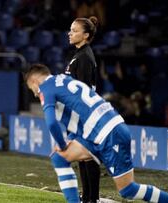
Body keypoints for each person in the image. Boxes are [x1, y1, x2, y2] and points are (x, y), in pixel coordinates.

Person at [24, 64, 168, 203]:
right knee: (59, 158)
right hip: (104, 130)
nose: (35, 95)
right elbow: (82, 111)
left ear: (35, 81)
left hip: (108, 133)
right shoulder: (63, 79)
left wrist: (62, 144)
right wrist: (69, 140)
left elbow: (51, 122)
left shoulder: (44, 88)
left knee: (128, 190)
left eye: (32, 89)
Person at [65, 16, 99, 203]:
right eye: (70, 29)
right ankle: (87, 197)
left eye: (75, 30)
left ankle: (92, 198)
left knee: (87, 156)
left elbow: (83, 91)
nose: (70, 33)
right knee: (83, 156)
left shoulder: (85, 57)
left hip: (85, 114)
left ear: (85, 35)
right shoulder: (79, 54)